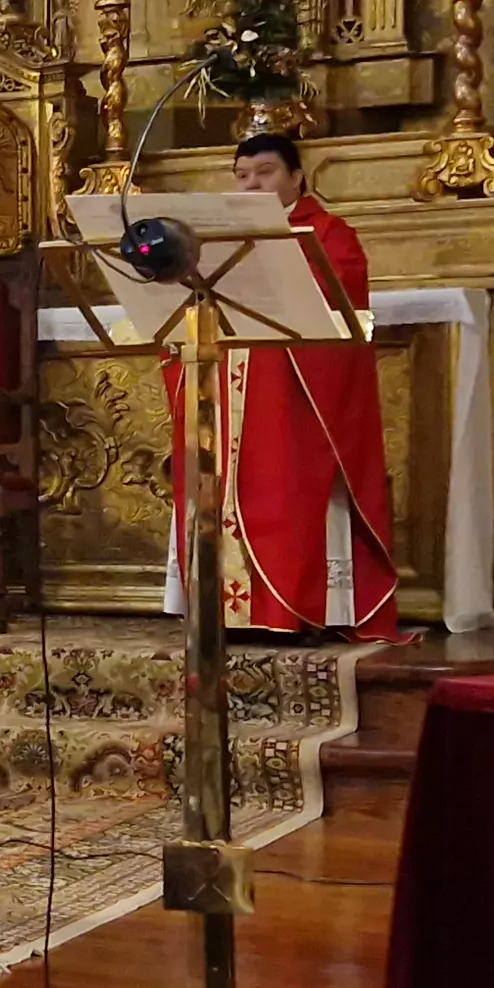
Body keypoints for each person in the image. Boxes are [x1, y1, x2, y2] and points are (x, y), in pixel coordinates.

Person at [171, 133, 400, 638]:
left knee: (287, 487)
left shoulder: (329, 234)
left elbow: (339, 313)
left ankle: (301, 609)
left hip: (292, 403)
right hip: (225, 391)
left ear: (297, 177)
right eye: (242, 174)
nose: (252, 183)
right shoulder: (210, 241)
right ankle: (221, 610)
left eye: (266, 171)